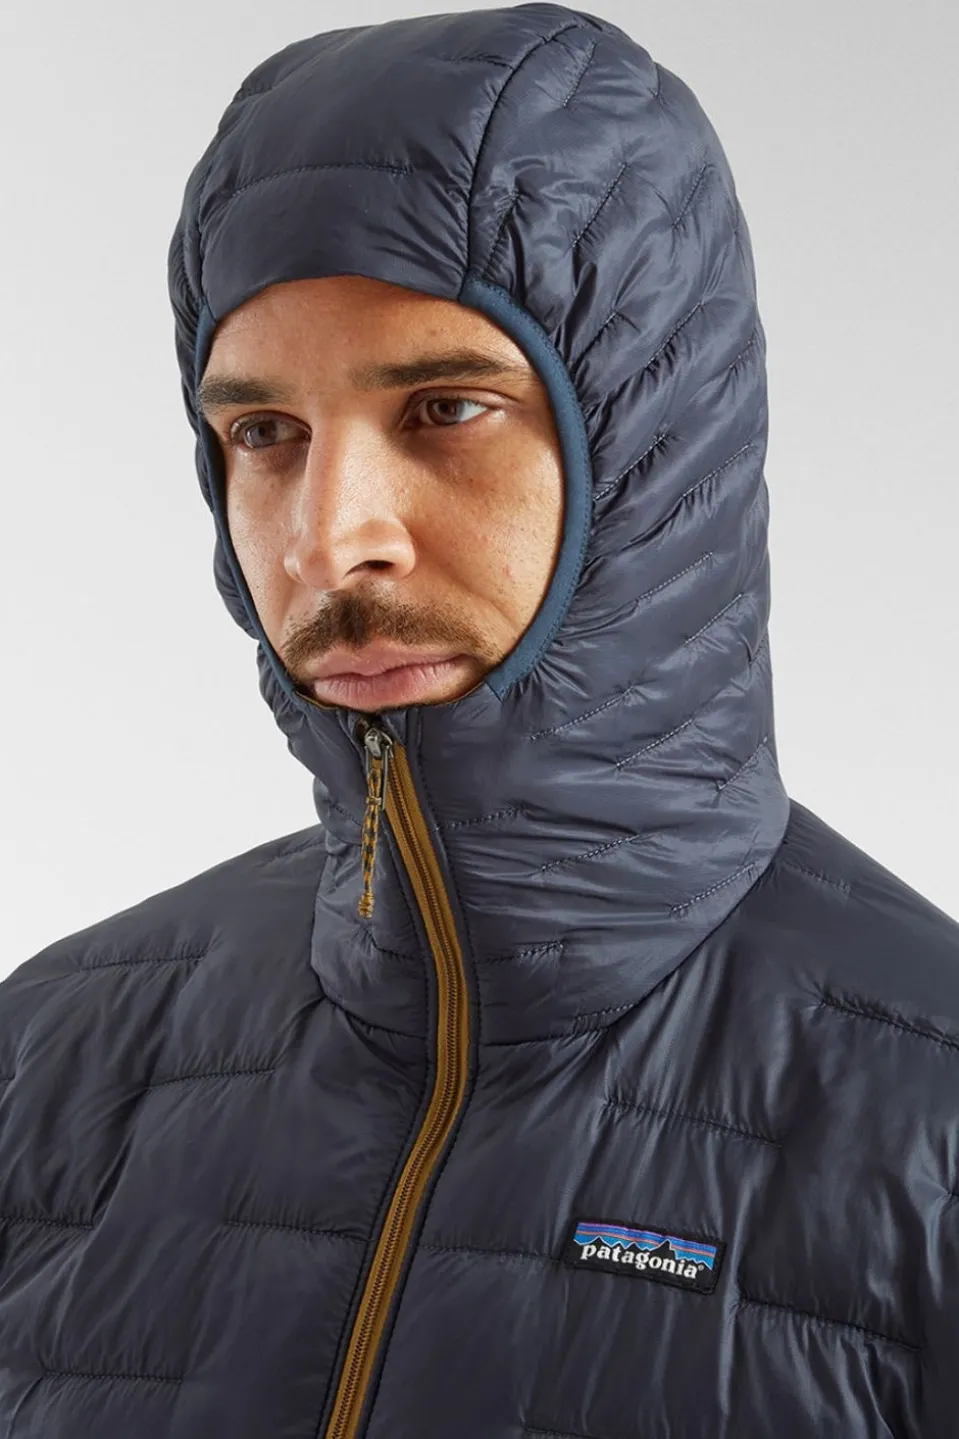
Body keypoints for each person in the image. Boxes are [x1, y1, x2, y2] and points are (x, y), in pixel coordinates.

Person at [1, 3, 956, 1435]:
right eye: (264, 434)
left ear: (649, 446)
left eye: (445, 409)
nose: (331, 539)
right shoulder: (49, 1061)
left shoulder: (929, 1122)